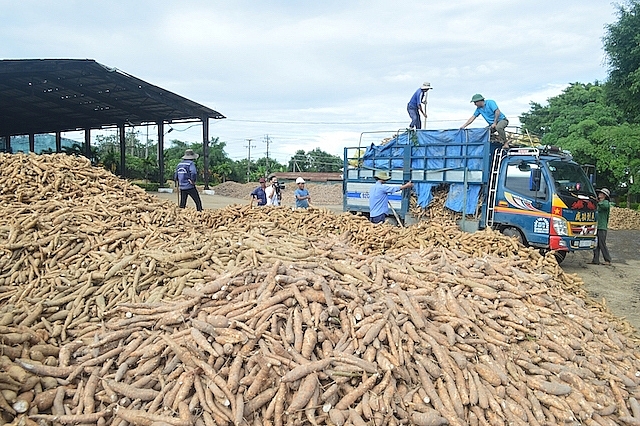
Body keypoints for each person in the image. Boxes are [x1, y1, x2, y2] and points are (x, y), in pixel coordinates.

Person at [589, 188, 612, 265]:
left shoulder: (605, 203)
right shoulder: (599, 204)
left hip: (602, 227)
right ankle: (595, 260)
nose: (599, 194)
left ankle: (607, 260)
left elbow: (604, 206)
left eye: (601, 193)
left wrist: (597, 201)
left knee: (602, 244)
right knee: (596, 244)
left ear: (604, 195)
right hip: (597, 226)